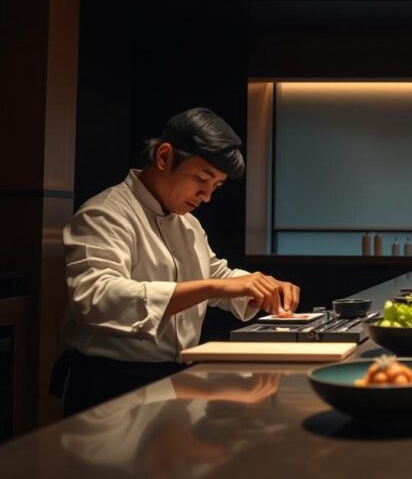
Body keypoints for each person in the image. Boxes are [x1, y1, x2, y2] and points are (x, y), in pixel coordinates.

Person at [55, 107, 300, 416]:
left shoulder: (187, 223)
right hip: (112, 385)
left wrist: (260, 286)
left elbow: (214, 272)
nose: (206, 196)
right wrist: (215, 286)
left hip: (175, 380)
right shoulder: (104, 214)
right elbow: (94, 298)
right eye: (201, 179)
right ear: (164, 157)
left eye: (216, 186)